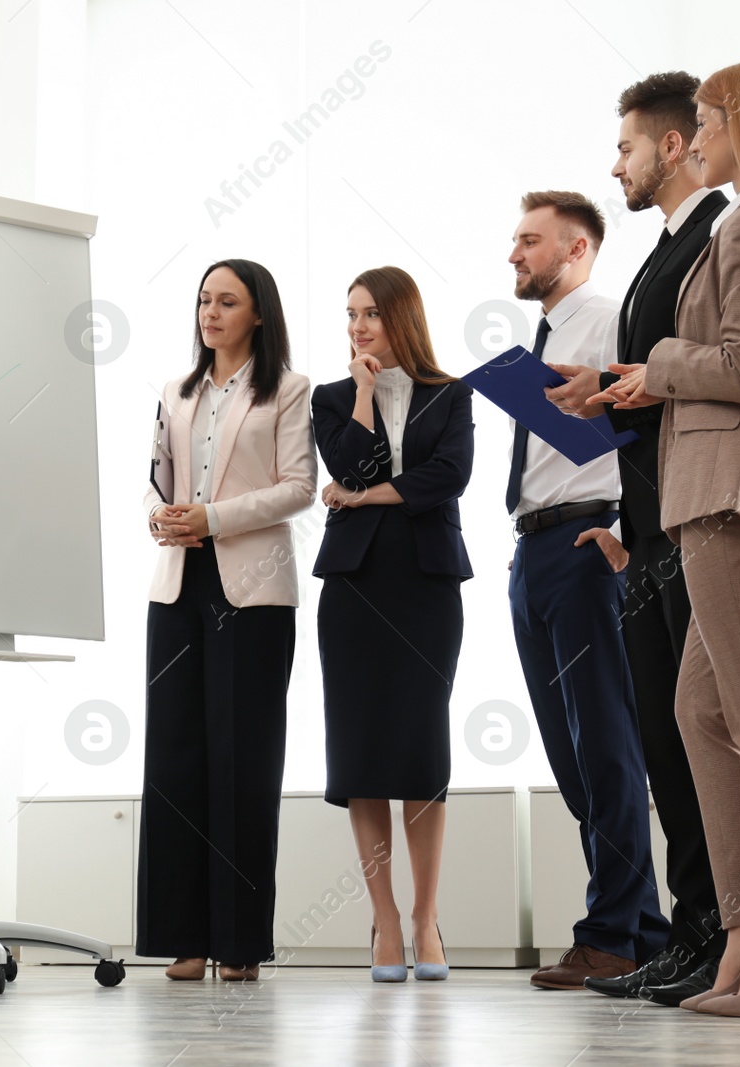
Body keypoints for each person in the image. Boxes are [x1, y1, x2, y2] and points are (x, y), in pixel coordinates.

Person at [591, 56, 740, 1019]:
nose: (700, 134)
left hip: (739, 502)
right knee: (705, 713)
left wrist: (655, 366)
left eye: (710, 118)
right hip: (719, 500)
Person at [551, 71, 732, 1007]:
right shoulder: (667, 249)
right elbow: (662, 389)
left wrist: (627, 382)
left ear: (670, 145)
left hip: (695, 521)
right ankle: (692, 932)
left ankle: (718, 938)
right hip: (651, 528)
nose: (613, 163)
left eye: (624, 146)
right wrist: (603, 394)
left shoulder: (717, 237)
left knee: (696, 740)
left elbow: (731, 372)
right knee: (668, 741)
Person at [504, 192, 667, 989]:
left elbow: (644, 425)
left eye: (529, 241)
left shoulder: (604, 316)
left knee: (604, 744)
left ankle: (611, 931)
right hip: (535, 547)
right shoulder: (551, 332)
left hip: (583, 540)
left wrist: (624, 535)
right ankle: (643, 929)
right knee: (575, 758)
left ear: (575, 249)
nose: (514, 254)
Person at [138, 259, 317, 982]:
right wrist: (164, 517)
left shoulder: (289, 391)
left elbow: (298, 487)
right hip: (178, 584)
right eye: (205, 300)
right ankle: (182, 937)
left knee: (241, 761)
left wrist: (211, 517)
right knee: (175, 759)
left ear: (259, 314)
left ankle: (238, 941)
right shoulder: (176, 391)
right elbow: (157, 478)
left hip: (254, 591)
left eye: (228, 301)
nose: (211, 312)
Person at [310, 266, 474, 983]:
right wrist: (367, 394)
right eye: (351, 314)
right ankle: (382, 918)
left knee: (421, 751)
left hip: (427, 585)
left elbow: (451, 474)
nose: (358, 326)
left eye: (371, 312)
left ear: (401, 315)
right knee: (361, 754)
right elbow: (349, 460)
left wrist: (366, 496)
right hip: (353, 589)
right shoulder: (332, 398)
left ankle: (426, 916)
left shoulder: (451, 393)